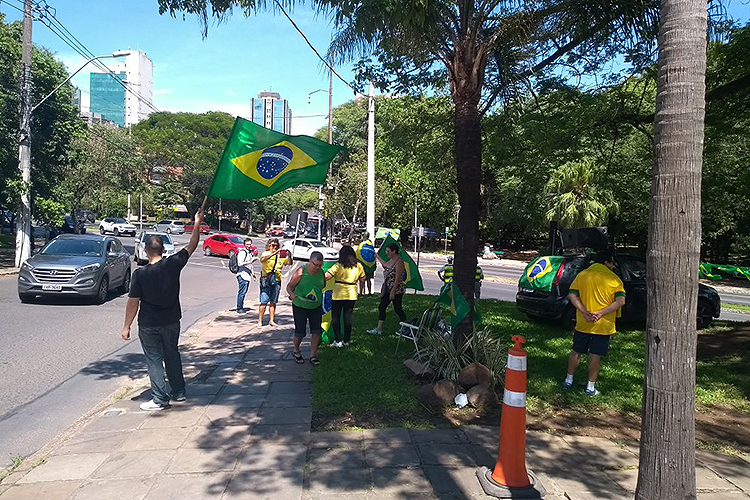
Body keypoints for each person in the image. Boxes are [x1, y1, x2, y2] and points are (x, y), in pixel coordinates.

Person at [120, 207, 204, 411]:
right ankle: (179, 391)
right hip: (172, 320)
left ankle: (159, 398)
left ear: (146, 251)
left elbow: (133, 302)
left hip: (149, 324)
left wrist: (126, 326)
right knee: (172, 354)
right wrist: (197, 222)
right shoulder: (173, 263)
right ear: (163, 250)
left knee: (154, 360)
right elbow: (192, 245)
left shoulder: (140, 275)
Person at [563, 250, 626, 396]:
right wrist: (601, 313)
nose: (613, 266)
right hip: (603, 325)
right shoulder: (614, 279)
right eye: (612, 263)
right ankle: (590, 387)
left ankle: (568, 380)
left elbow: (572, 294)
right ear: (607, 262)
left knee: (576, 350)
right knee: (595, 354)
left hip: (583, 322)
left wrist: (584, 312)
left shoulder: (583, 275)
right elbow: (620, 301)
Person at [286, 251, 326, 365]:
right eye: (315, 264)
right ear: (310, 261)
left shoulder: (321, 272)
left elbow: (323, 285)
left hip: (315, 306)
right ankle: (296, 350)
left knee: (316, 331)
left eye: (320, 265)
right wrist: (292, 295)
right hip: (300, 305)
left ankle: (313, 355)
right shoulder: (301, 271)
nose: (317, 268)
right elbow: (289, 286)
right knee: (300, 332)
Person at [326, 245, 366, 347]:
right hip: (351, 294)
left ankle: (338, 340)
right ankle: (346, 340)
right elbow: (363, 279)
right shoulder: (359, 266)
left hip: (338, 294)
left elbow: (327, 276)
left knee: (336, 318)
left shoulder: (337, 266)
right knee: (348, 318)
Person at [367, 242, 407, 335]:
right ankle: (379, 329)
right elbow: (385, 265)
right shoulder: (391, 260)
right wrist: (377, 256)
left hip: (396, 290)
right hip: (387, 289)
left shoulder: (399, 262)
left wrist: (393, 291)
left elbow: (398, 278)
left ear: (394, 251)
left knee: (398, 309)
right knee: (382, 307)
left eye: (388, 251)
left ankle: (404, 325)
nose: (386, 253)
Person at [258, 238, 292, 327]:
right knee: (264, 301)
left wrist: (289, 255)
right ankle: (260, 321)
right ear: (269, 246)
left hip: (276, 280)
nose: (275, 247)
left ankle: (271, 320)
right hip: (266, 280)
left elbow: (289, 263)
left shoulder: (280, 256)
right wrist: (273, 254)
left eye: (276, 246)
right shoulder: (266, 253)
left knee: (273, 301)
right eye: (273, 245)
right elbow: (262, 260)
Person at [236, 238, 258, 314]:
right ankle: (239, 308)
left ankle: (240, 306)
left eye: (250, 244)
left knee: (244, 292)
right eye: (247, 244)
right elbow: (240, 263)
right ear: (244, 244)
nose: (248, 245)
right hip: (242, 275)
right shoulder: (242, 252)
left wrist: (253, 274)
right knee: (242, 292)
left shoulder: (249, 252)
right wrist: (251, 261)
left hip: (247, 275)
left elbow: (249, 265)